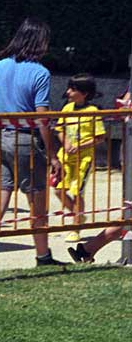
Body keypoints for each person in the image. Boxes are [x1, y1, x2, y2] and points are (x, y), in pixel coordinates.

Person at [0, 18, 64, 273]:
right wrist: (51, 154)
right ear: (39, 42)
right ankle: (43, 255)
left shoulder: (0, 66)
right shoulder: (40, 73)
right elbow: (42, 118)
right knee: (37, 202)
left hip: (2, 138)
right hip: (27, 139)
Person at [53, 74, 105, 243]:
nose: (68, 92)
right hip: (65, 157)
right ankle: (78, 215)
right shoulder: (67, 108)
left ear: (84, 93)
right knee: (58, 189)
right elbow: (59, 129)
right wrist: (66, 142)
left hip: (84, 159)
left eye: (73, 89)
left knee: (77, 192)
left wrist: (81, 146)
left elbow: (99, 137)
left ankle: (76, 227)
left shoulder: (93, 112)